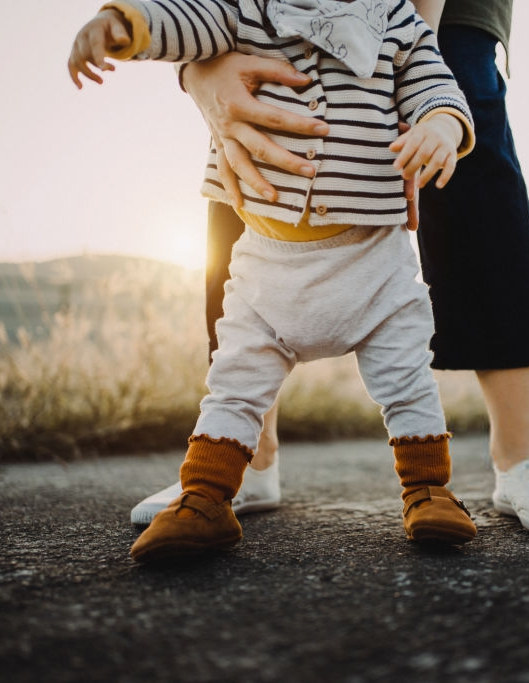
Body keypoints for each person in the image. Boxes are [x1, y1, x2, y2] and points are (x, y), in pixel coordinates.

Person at [131, 0, 529, 539]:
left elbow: (429, 75)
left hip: (426, 23)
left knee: (467, 90)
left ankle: (518, 455)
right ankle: (241, 458)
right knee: (254, 123)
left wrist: (413, 74)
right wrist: (185, 58)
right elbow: (188, 17)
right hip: (262, 39)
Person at [70, 0, 481, 562]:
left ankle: (429, 491)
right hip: (268, 266)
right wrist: (124, 25)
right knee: (235, 384)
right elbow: (184, 21)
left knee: (407, 381)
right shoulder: (246, 10)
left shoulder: (393, 18)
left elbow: (434, 79)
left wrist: (441, 125)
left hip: (374, 264)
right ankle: (205, 498)